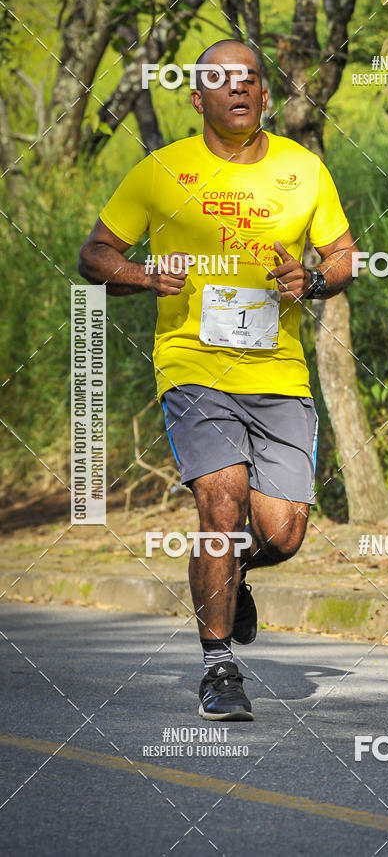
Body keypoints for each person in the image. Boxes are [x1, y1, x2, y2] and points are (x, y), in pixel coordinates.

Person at [79, 39, 357, 721]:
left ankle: (229, 576)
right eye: (220, 80)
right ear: (197, 97)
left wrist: (313, 278)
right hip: (194, 366)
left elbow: (344, 254)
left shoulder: (303, 168)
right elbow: (94, 254)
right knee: (222, 499)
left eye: (250, 79)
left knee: (284, 532)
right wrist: (143, 275)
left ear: (264, 94)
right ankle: (219, 665)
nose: (238, 89)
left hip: (280, 373)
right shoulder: (160, 171)